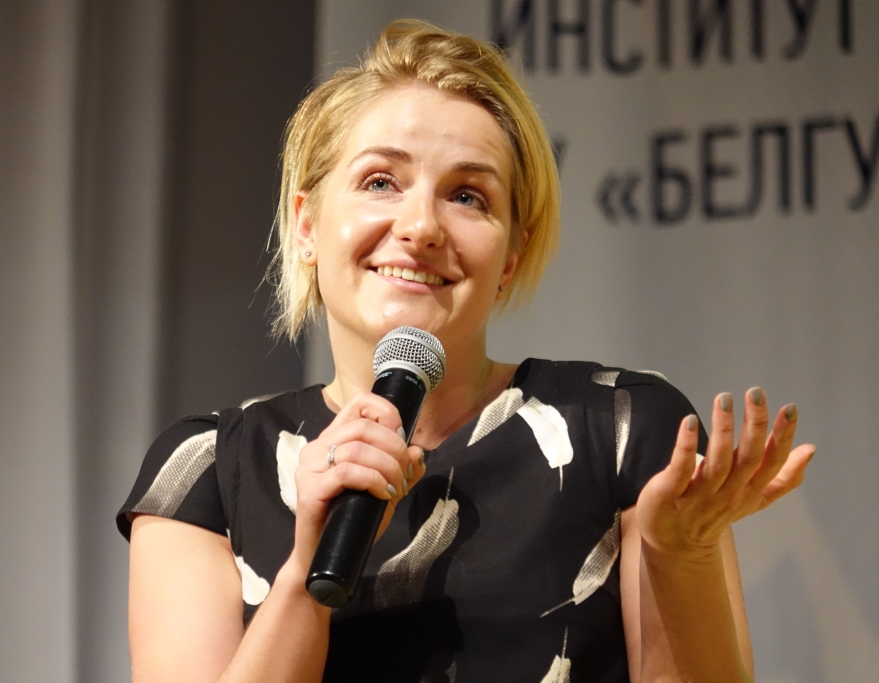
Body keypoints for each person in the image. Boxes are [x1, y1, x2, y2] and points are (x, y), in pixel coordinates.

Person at [117, 20, 814, 683]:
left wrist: (681, 555)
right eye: (381, 182)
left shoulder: (626, 428)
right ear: (306, 225)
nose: (421, 226)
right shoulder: (209, 472)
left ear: (509, 255)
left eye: (468, 196)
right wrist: (305, 573)